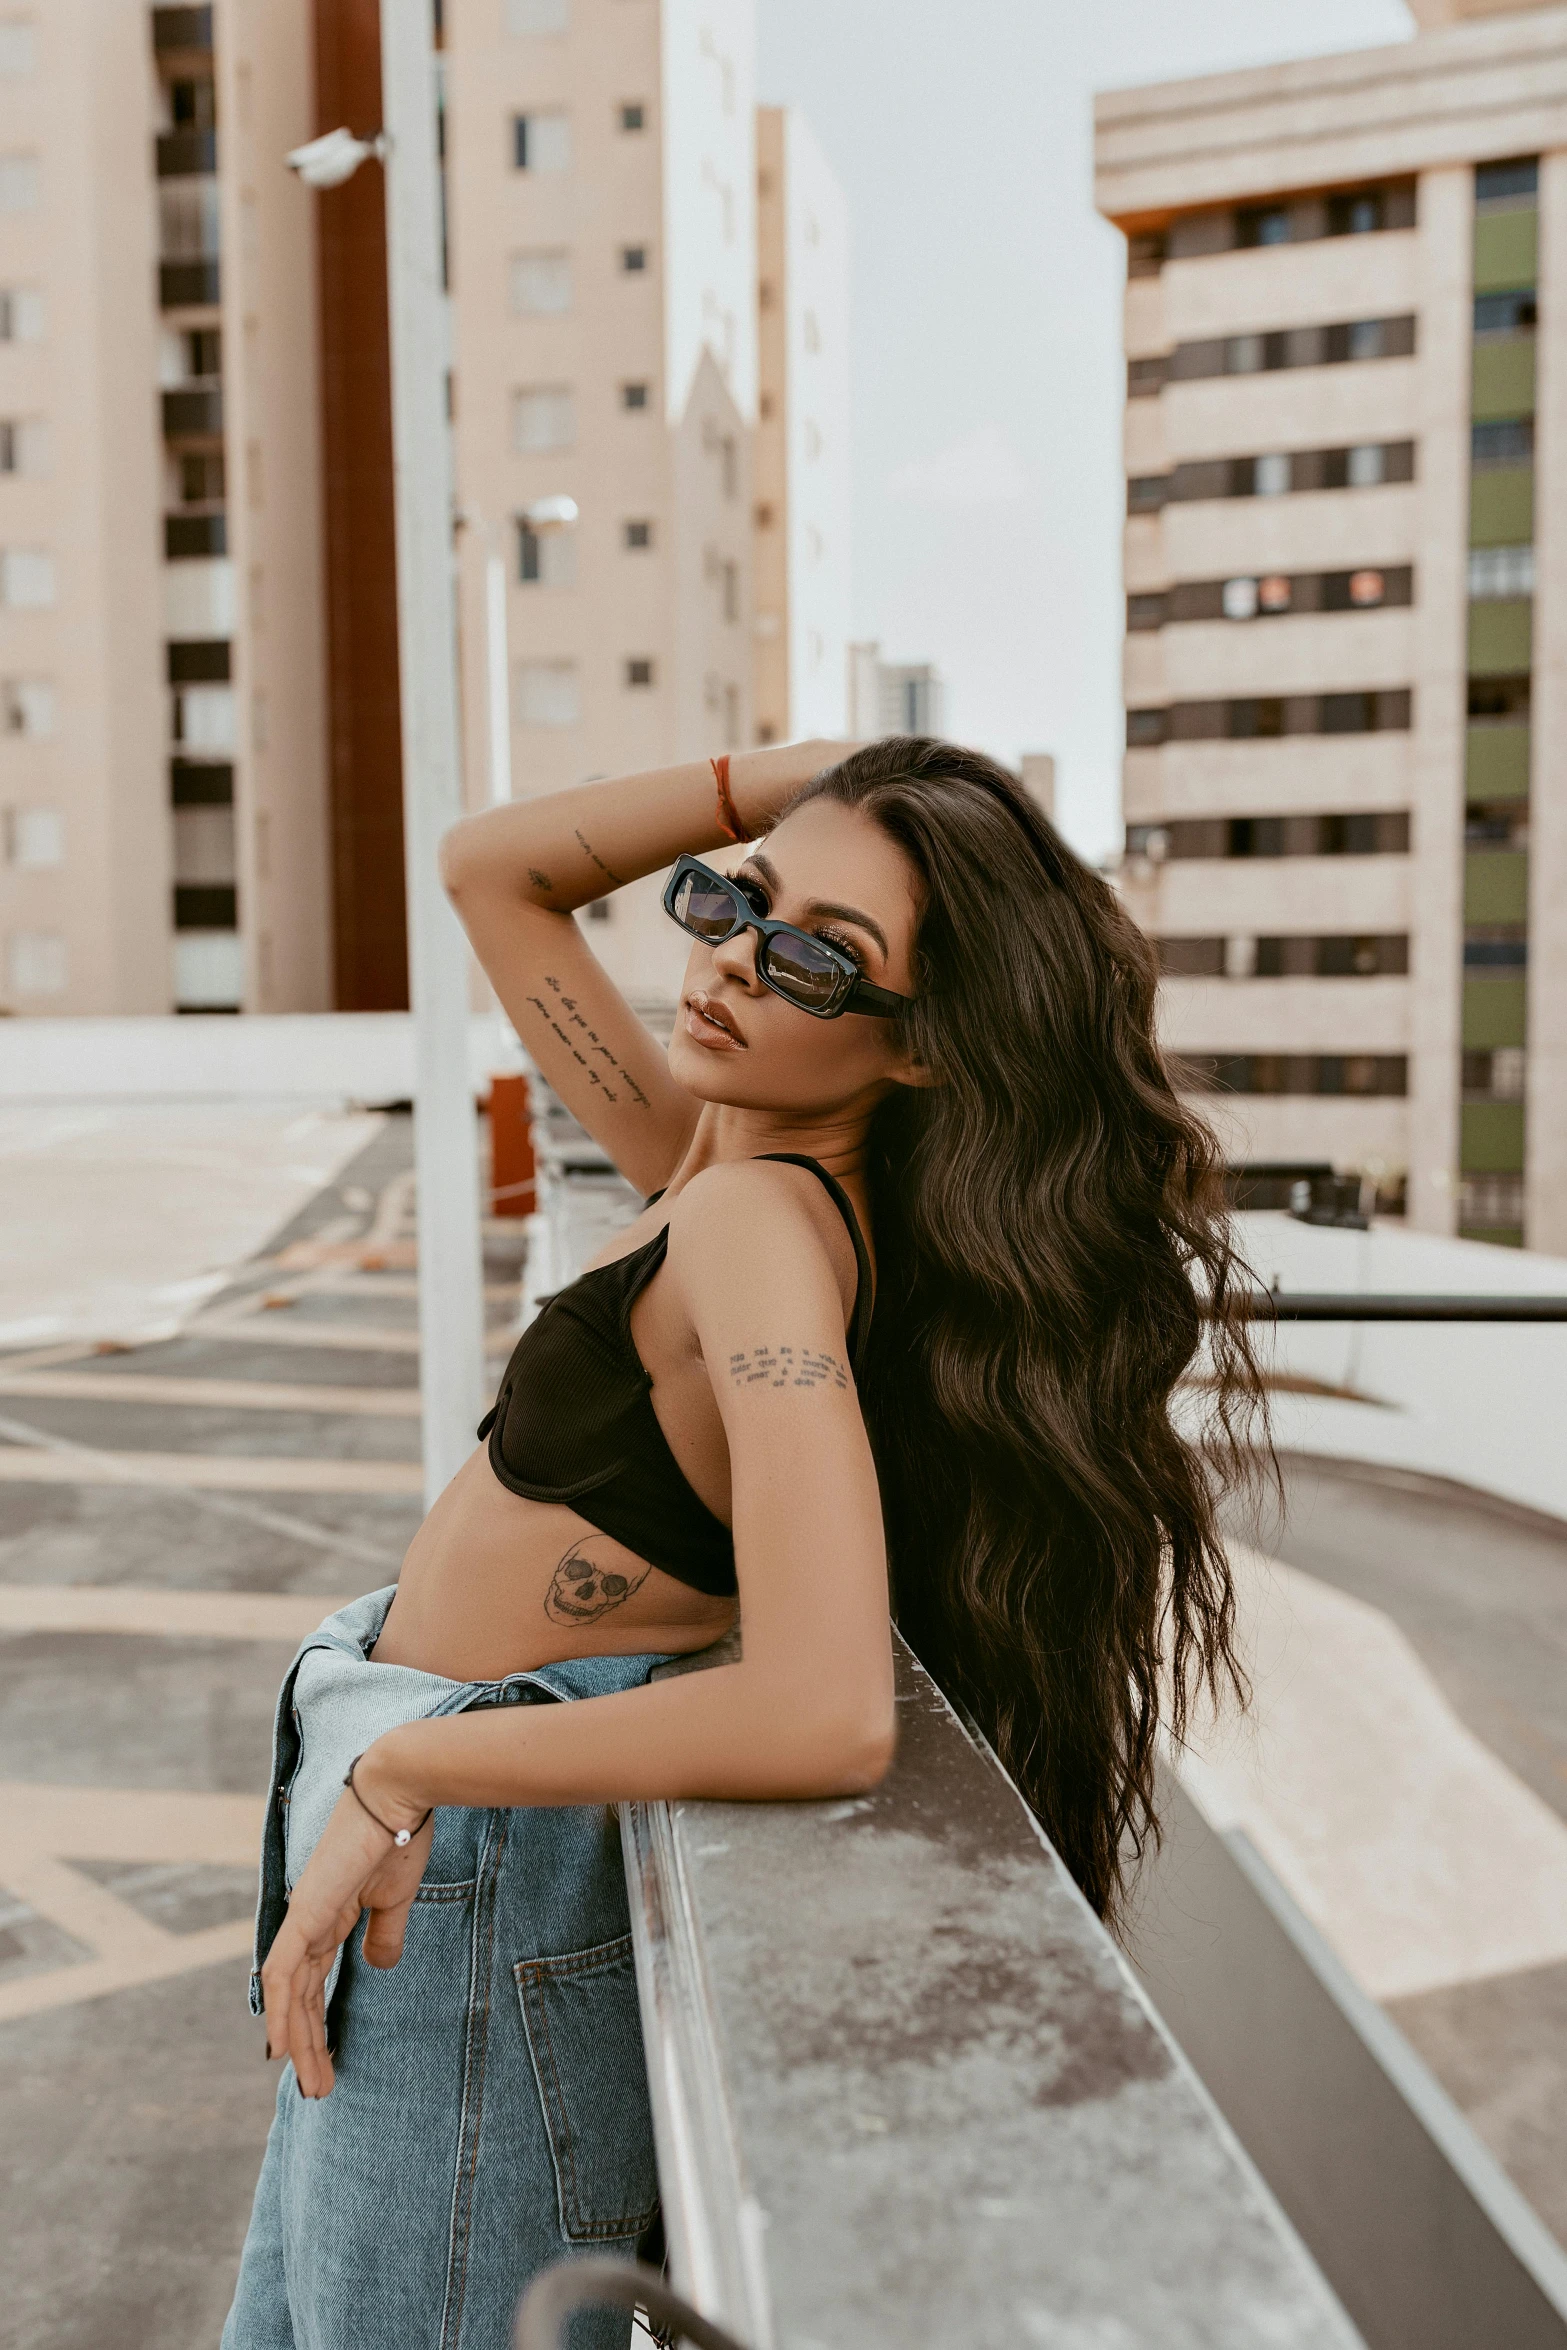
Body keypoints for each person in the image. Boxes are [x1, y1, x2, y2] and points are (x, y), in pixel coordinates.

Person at [223, 735, 1268, 2350]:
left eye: (817, 964)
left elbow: (825, 1706)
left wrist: (413, 1771)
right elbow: (493, 865)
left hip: (466, 1870)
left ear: (922, 1053)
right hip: (420, 1848)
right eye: (734, 904)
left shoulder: (756, 1225)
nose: (729, 965)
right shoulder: (701, 1155)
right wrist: (807, 778)